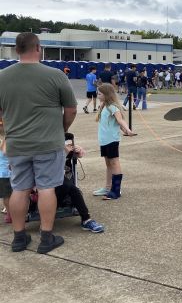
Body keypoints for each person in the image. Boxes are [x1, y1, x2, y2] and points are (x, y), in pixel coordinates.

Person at [0, 32, 77, 254]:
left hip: (17, 144)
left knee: (19, 189)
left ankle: (18, 237)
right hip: (48, 143)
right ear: (38, 48)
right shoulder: (55, 75)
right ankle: (46, 237)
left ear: (16, 50)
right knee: (46, 188)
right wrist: (60, 130)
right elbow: (71, 110)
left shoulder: (2, 77)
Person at [93, 84, 135, 200]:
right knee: (108, 164)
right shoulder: (103, 106)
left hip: (112, 140)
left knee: (114, 163)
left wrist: (127, 130)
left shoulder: (113, 107)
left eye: (100, 93)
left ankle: (116, 191)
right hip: (104, 140)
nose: (98, 95)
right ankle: (108, 187)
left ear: (106, 95)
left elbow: (120, 121)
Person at [58, 140, 104, 233]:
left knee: (73, 188)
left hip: (63, 180)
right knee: (68, 186)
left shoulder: (64, 139)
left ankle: (86, 219)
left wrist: (77, 150)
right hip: (47, 178)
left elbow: (80, 154)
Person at [0, 118, 12, 224]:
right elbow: (5, 152)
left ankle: (9, 213)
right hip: (5, 173)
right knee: (8, 195)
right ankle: (10, 214)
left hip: (3, 172)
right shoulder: (7, 139)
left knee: (6, 195)